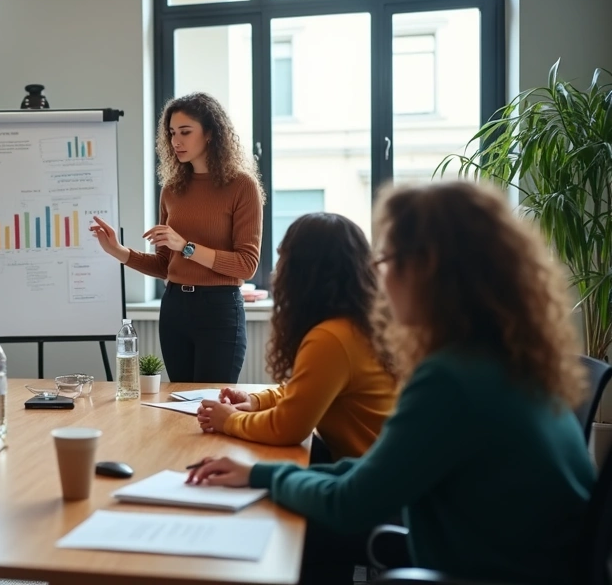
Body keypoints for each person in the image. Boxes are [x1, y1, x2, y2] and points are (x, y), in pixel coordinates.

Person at [187, 181, 594, 585]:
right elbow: (378, 468)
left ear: (427, 270)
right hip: (513, 559)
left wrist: (263, 476)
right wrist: (261, 473)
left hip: (484, 569)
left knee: (276, 537)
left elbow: (351, 504)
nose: (378, 277)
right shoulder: (506, 359)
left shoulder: (452, 378)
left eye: (385, 260)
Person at [90, 92, 263, 383]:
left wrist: (186, 246)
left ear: (210, 133)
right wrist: (118, 252)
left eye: (185, 131)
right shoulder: (172, 189)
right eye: (171, 133)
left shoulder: (242, 186)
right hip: (174, 309)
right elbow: (164, 265)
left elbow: (246, 265)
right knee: (178, 407)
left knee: (208, 405)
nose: (175, 141)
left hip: (219, 310)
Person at [196, 212, 398, 462]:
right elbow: (307, 391)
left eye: (283, 258)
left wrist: (229, 420)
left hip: (367, 483)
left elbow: (286, 428)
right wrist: (256, 401)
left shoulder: (332, 338)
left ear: (303, 272)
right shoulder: (360, 324)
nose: (276, 269)